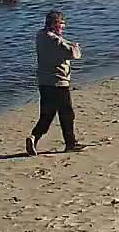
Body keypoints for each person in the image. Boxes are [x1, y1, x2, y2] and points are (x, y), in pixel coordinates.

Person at [26, 10, 85, 154]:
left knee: (47, 115)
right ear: (54, 24)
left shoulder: (40, 36)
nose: (63, 27)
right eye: (61, 24)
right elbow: (74, 54)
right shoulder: (56, 41)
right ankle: (70, 144)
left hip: (44, 83)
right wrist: (75, 46)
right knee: (67, 114)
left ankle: (34, 137)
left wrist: (67, 41)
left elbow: (59, 42)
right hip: (59, 83)